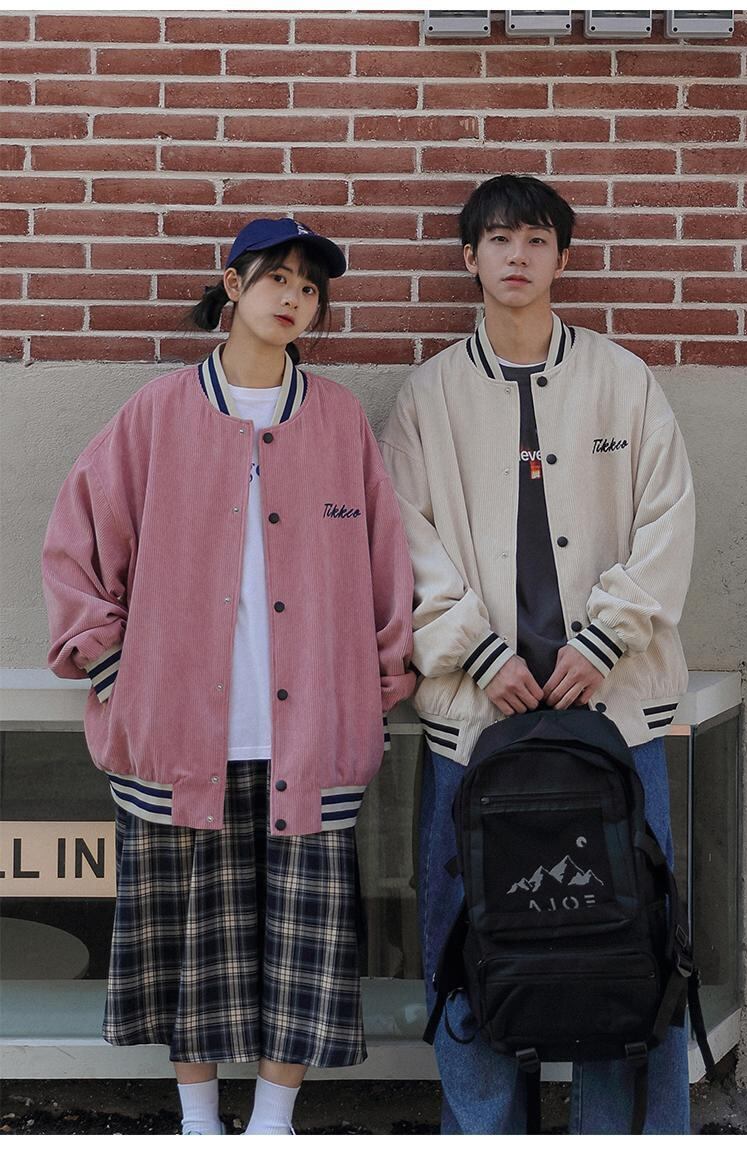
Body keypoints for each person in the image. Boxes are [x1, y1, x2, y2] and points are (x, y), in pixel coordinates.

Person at [42, 217, 415, 1135]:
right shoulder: (158, 414)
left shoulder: (337, 421)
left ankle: (274, 1122)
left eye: (310, 287)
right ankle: (200, 1121)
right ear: (234, 284)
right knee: (190, 942)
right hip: (180, 735)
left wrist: (372, 685)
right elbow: (77, 547)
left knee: (304, 945)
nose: (295, 297)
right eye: (277, 277)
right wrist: (116, 668)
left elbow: (386, 566)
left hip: (309, 734)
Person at [380, 175, 695, 1135]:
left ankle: (627, 1134)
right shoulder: (429, 395)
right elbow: (402, 540)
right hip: (479, 723)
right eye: (498, 239)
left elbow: (667, 521)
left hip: (615, 715)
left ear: (562, 256)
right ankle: (485, 1131)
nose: (516, 255)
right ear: (468, 258)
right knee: (468, 935)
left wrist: (604, 640)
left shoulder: (623, 380)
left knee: (630, 932)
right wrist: (476, 652)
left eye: (536, 239)